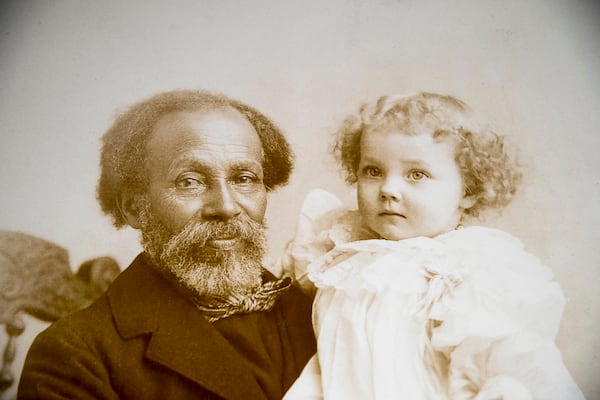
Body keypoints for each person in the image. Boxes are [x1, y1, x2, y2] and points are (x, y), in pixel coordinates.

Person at [281, 93, 584, 399]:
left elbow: (499, 357)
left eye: (417, 174)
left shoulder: (465, 267)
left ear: (469, 190)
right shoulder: (341, 250)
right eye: (373, 171)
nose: (388, 189)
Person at [17, 89, 316, 400]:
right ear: (135, 207)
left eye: (244, 178)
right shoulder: (75, 356)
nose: (226, 206)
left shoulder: (318, 310)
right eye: (190, 181)